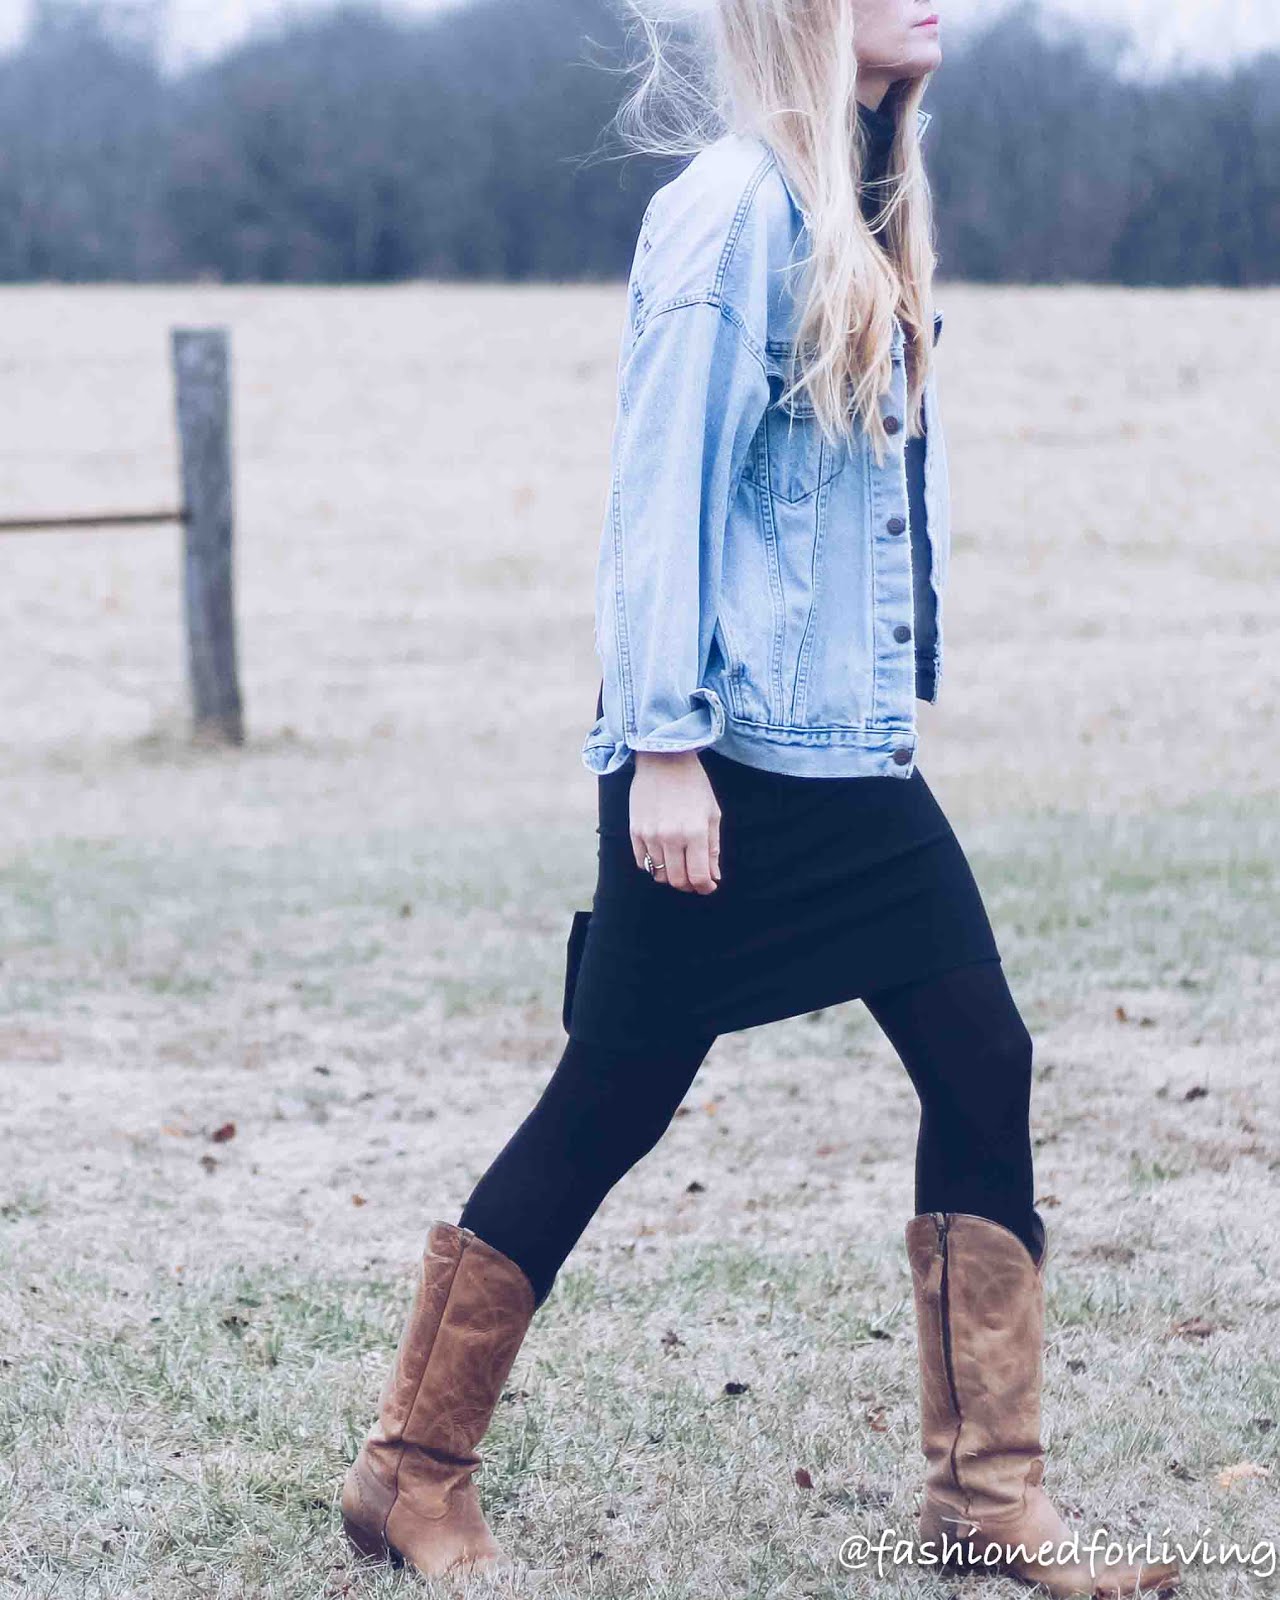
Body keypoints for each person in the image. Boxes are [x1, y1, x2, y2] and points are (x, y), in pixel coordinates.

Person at [340, 3, 1180, 1594]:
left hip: (851, 767)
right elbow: (659, 489)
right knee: (611, 1104)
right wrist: (661, 748)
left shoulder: (858, 198)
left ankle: (987, 1497)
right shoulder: (730, 210)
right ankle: (409, 1472)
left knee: (981, 1055)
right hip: (724, 762)